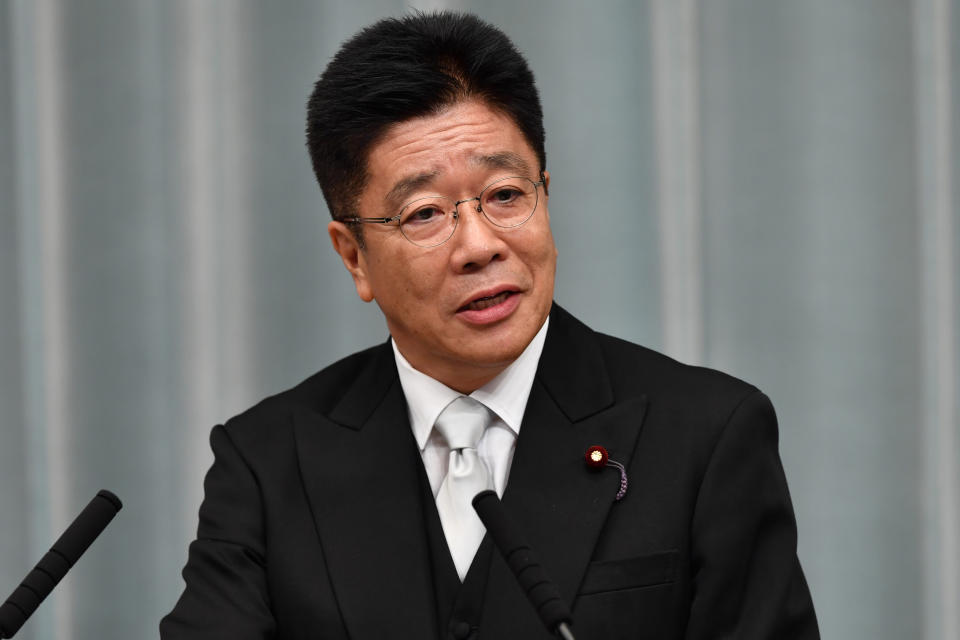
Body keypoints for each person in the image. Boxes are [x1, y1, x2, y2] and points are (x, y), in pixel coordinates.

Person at [161, 11, 819, 640]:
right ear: (353, 255)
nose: (479, 245)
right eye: (423, 214)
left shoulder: (706, 437)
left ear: (545, 195)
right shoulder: (269, 463)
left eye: (505, 196)